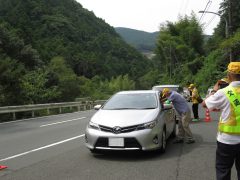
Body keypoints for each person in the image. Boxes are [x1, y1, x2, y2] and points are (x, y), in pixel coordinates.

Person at [202, 62, 240, 180]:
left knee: (223, 171)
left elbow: (205, 104)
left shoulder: (223, 92)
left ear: (229, 75)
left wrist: (214, 91)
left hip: (227, 141)